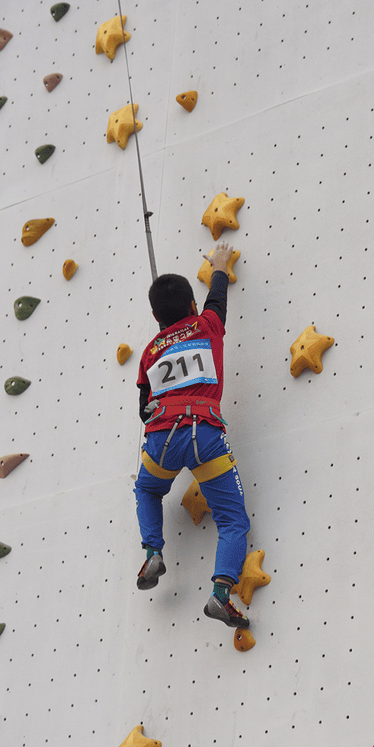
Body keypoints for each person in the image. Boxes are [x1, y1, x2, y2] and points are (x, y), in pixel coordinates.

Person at [133, 241, 252, 630]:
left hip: (161, 438)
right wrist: (219, 265)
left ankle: (153, 551)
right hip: (204, 435)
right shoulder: (206, 325)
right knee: (232, 521)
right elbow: (218, 298)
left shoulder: (150, 352)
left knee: (148, 489)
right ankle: (220, 595)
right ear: (191, 308)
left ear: (154, 316)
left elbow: (143, 409)